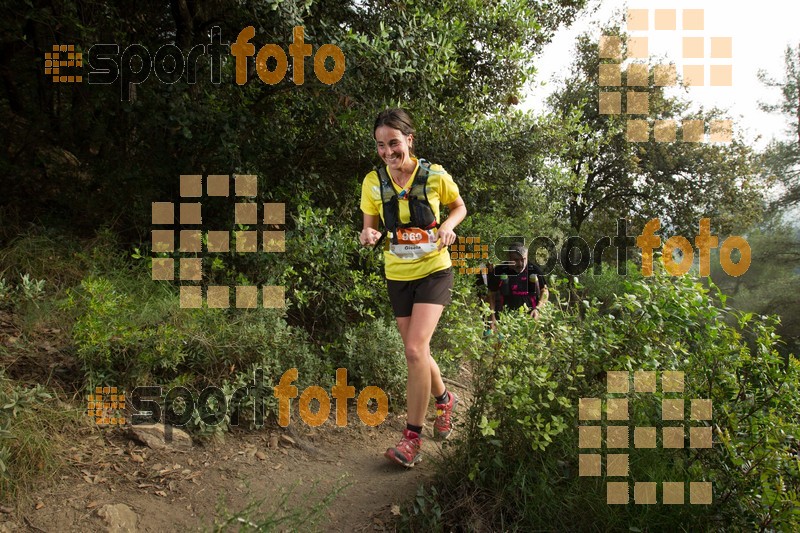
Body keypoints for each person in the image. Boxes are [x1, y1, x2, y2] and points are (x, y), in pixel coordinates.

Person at [359, 108, 467, 468]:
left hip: (435, 270)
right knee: (417, 352)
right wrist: (368, 235)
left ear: (409, 139)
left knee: (415, 349)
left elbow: (459, 207)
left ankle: (411, 439)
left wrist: (449, 225)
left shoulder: (434, 176)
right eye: (380, 146)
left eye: (393, 143)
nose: (388, 152)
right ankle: (445, 399)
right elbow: (369, 227)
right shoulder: (372, 182)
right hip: (398, 273)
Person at [488, 243, 549, 328]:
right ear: (509, 258)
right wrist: (492, 317)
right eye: (516, 260)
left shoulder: (534, 269)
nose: (521, 264)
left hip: (530, 317)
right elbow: (491, 294)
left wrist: (538, 309)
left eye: (523, 259)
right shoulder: (499, 270)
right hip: (505, 318)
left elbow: (545, 291)